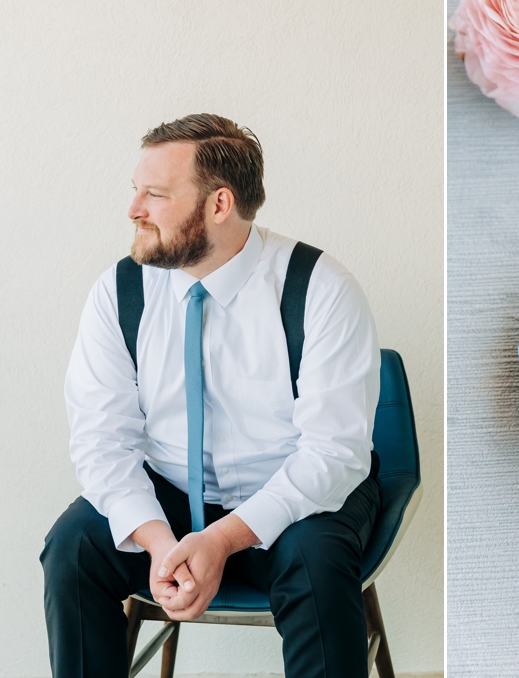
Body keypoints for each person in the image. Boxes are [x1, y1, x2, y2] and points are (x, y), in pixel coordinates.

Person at [40, 114, 381, 678]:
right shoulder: (119, 292)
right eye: (136, 191)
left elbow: (333, 455)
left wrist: (221, 540)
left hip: (295, 496)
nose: (134, 210)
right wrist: (158, 545)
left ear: (219, 204)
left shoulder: (321, 288)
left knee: (318, 564)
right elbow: (103, 441)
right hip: (169, 492)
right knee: (72, 548)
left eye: (155, 194)